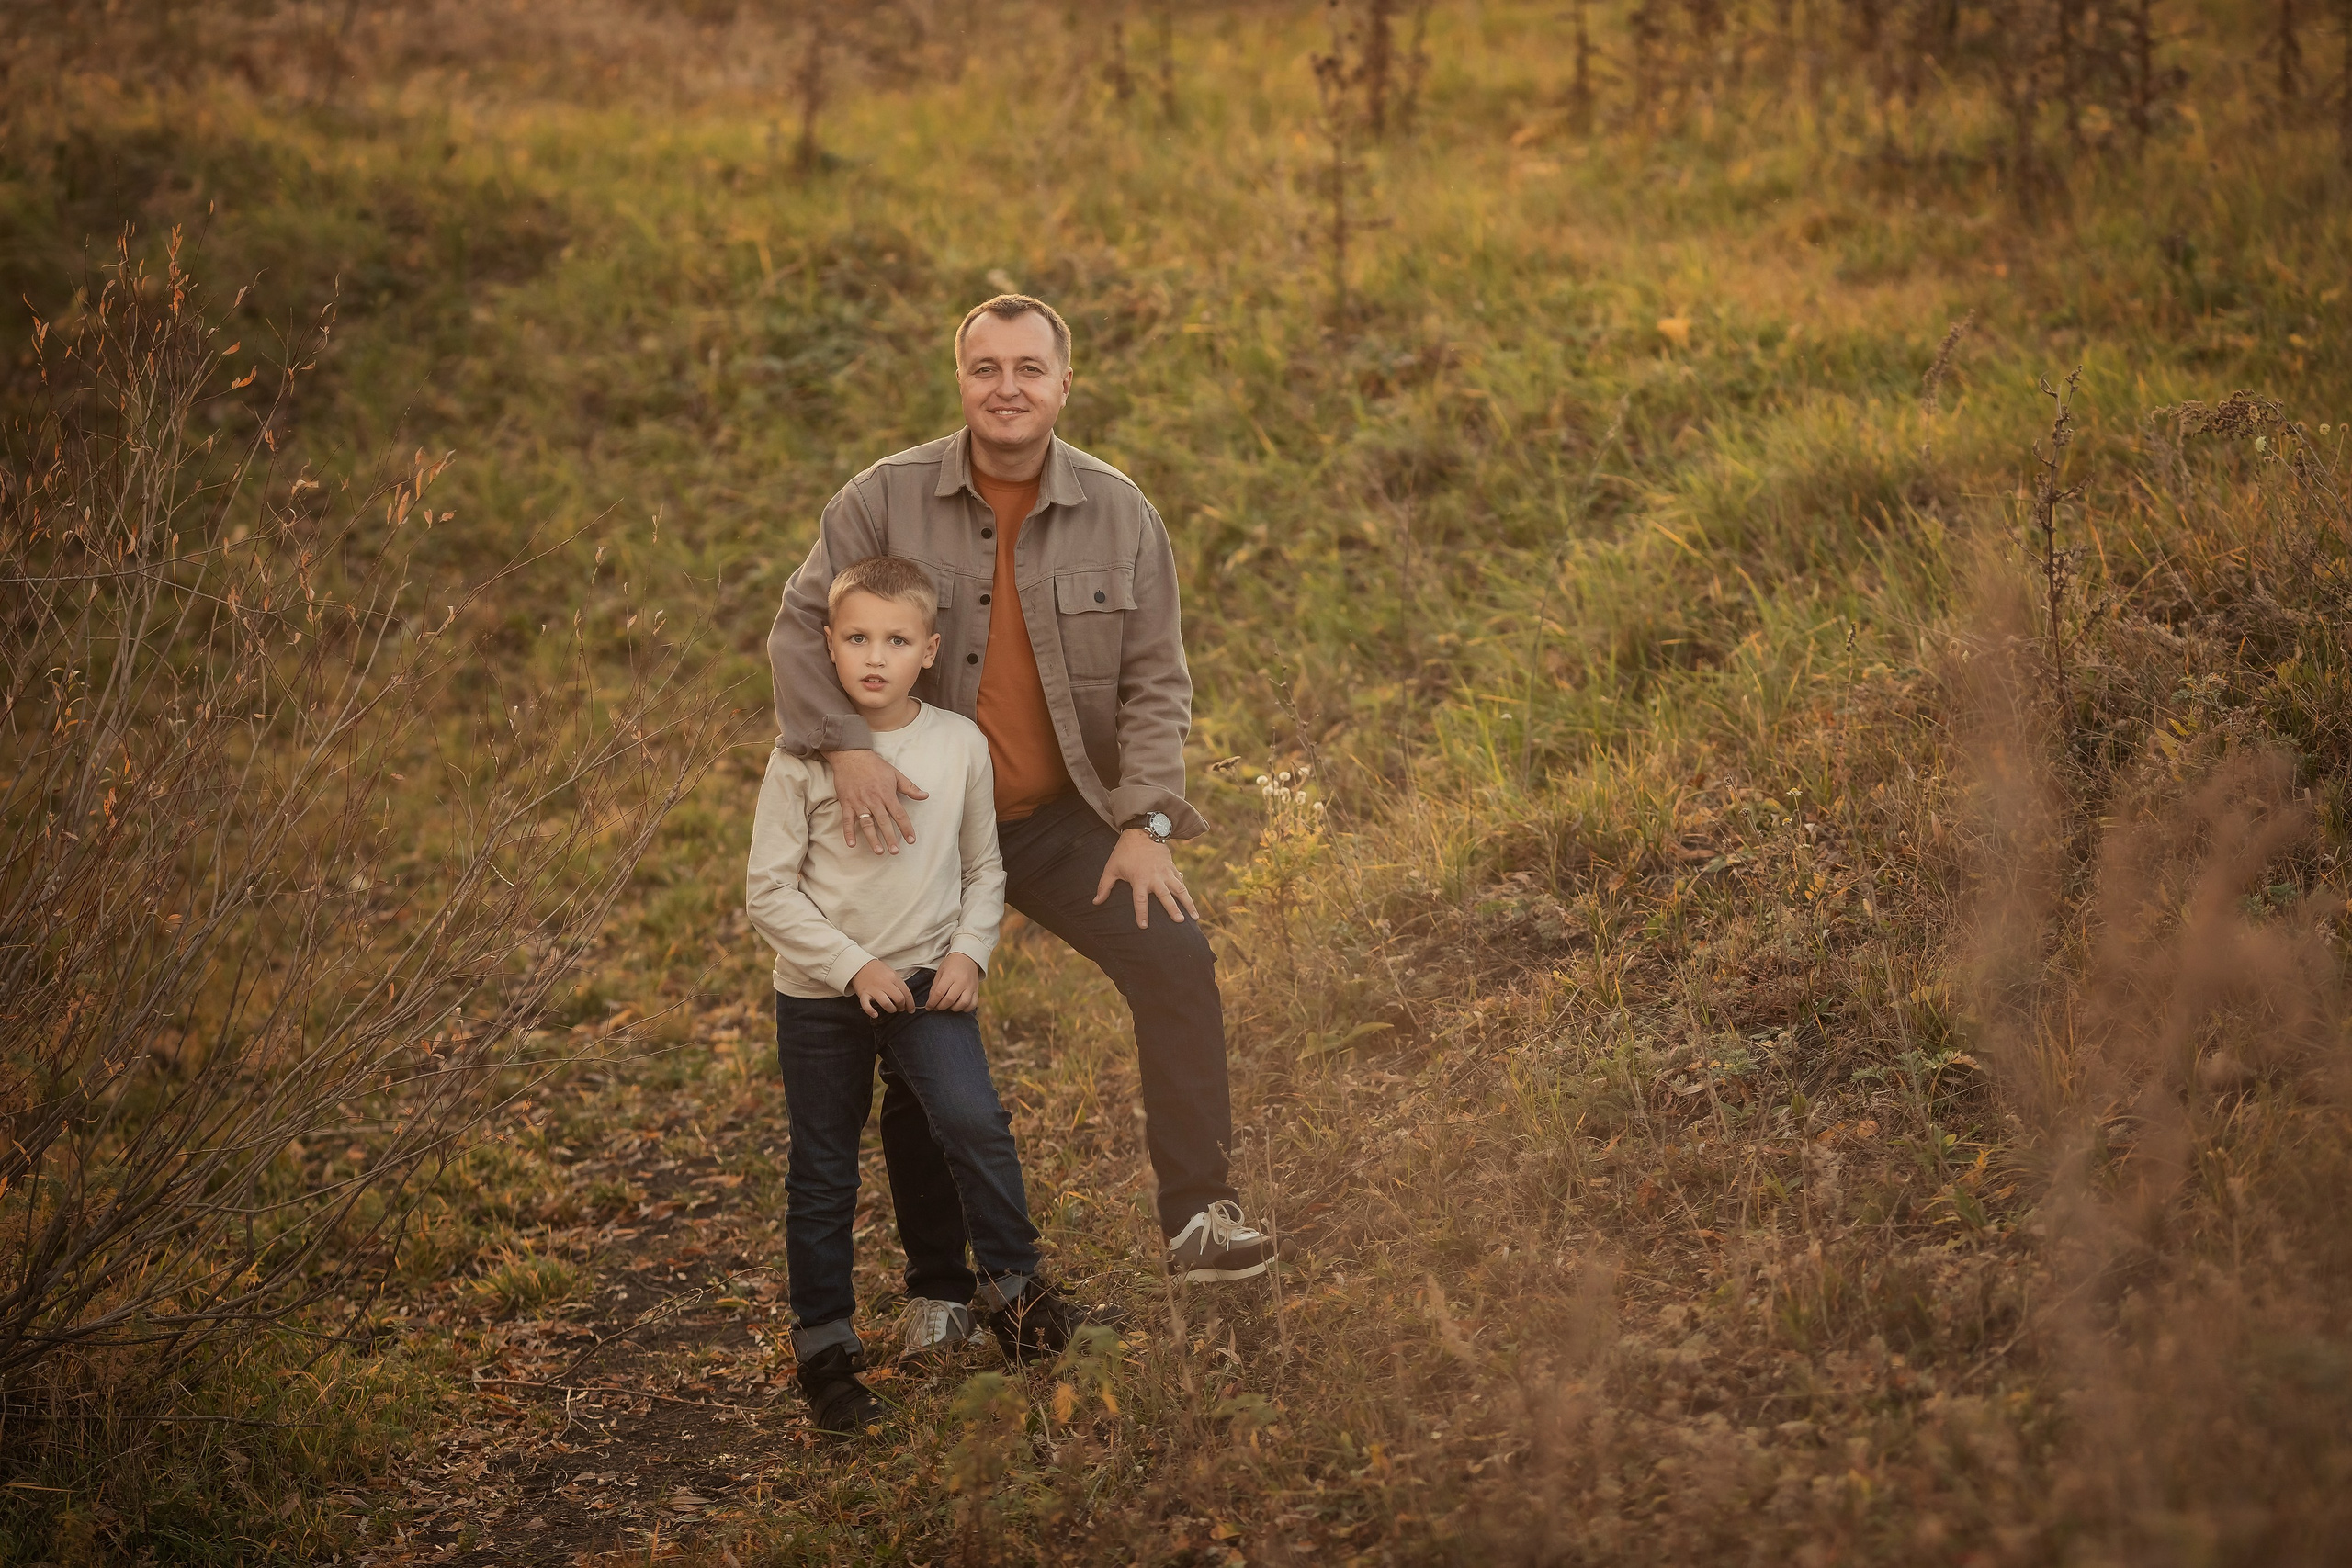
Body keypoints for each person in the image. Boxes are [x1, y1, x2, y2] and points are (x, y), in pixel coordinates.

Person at [765, 295, 1277, 1368]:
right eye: (985, 367)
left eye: (1029, 369)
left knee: (1176, 957)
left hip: (1058, 824)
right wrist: (846, 750)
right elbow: (797, 633)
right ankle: (942, 1286)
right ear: (960, 379)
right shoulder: (882, 497)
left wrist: (1143, 819)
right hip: (910, 828)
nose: (1008, 387)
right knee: (917, 1037)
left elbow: (1154, 679)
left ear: (1063, 383)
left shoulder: (1119, 512)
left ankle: (1198, 1214)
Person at [746, 555, 1094, 1438]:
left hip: (928, 983)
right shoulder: (800, 756)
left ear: (928, 649)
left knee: (973, 1122)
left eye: (895, 640)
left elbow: (985, 868)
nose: (873, 656)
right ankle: (827, 1359)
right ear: (826, 643)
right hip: (822, 994)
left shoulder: (957, 743)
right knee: (823, 1171)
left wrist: (971, 952)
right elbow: (769, 891)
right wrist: (847, 965)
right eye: (856, 637)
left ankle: (1016, 1294)